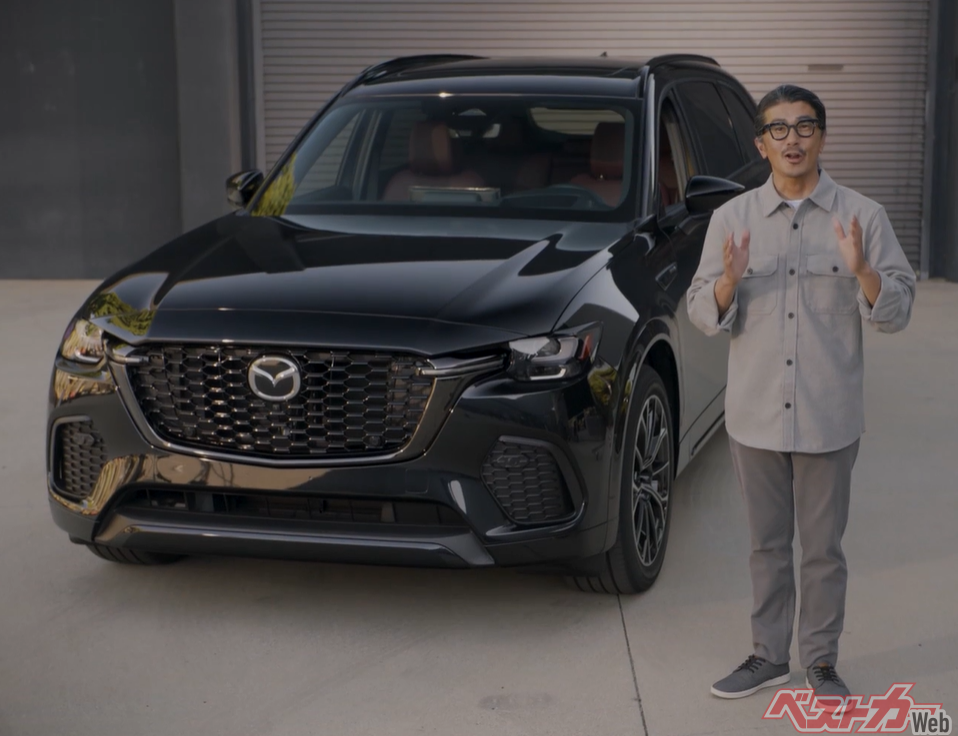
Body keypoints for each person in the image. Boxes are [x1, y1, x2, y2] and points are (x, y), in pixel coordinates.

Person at [686, 84, 916, 706]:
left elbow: (898, 309)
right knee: (766, 547)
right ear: (761, 144)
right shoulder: (731, 220)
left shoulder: (863, 216)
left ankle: (820, 661)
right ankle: (767, 657)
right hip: (755, 416)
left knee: (822, 551)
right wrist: (729, 282)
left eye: (805, 126)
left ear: (822, 136)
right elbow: (700, 311)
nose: (793, 139)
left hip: (827, 416)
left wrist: (862, 270)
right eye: (779, 129)